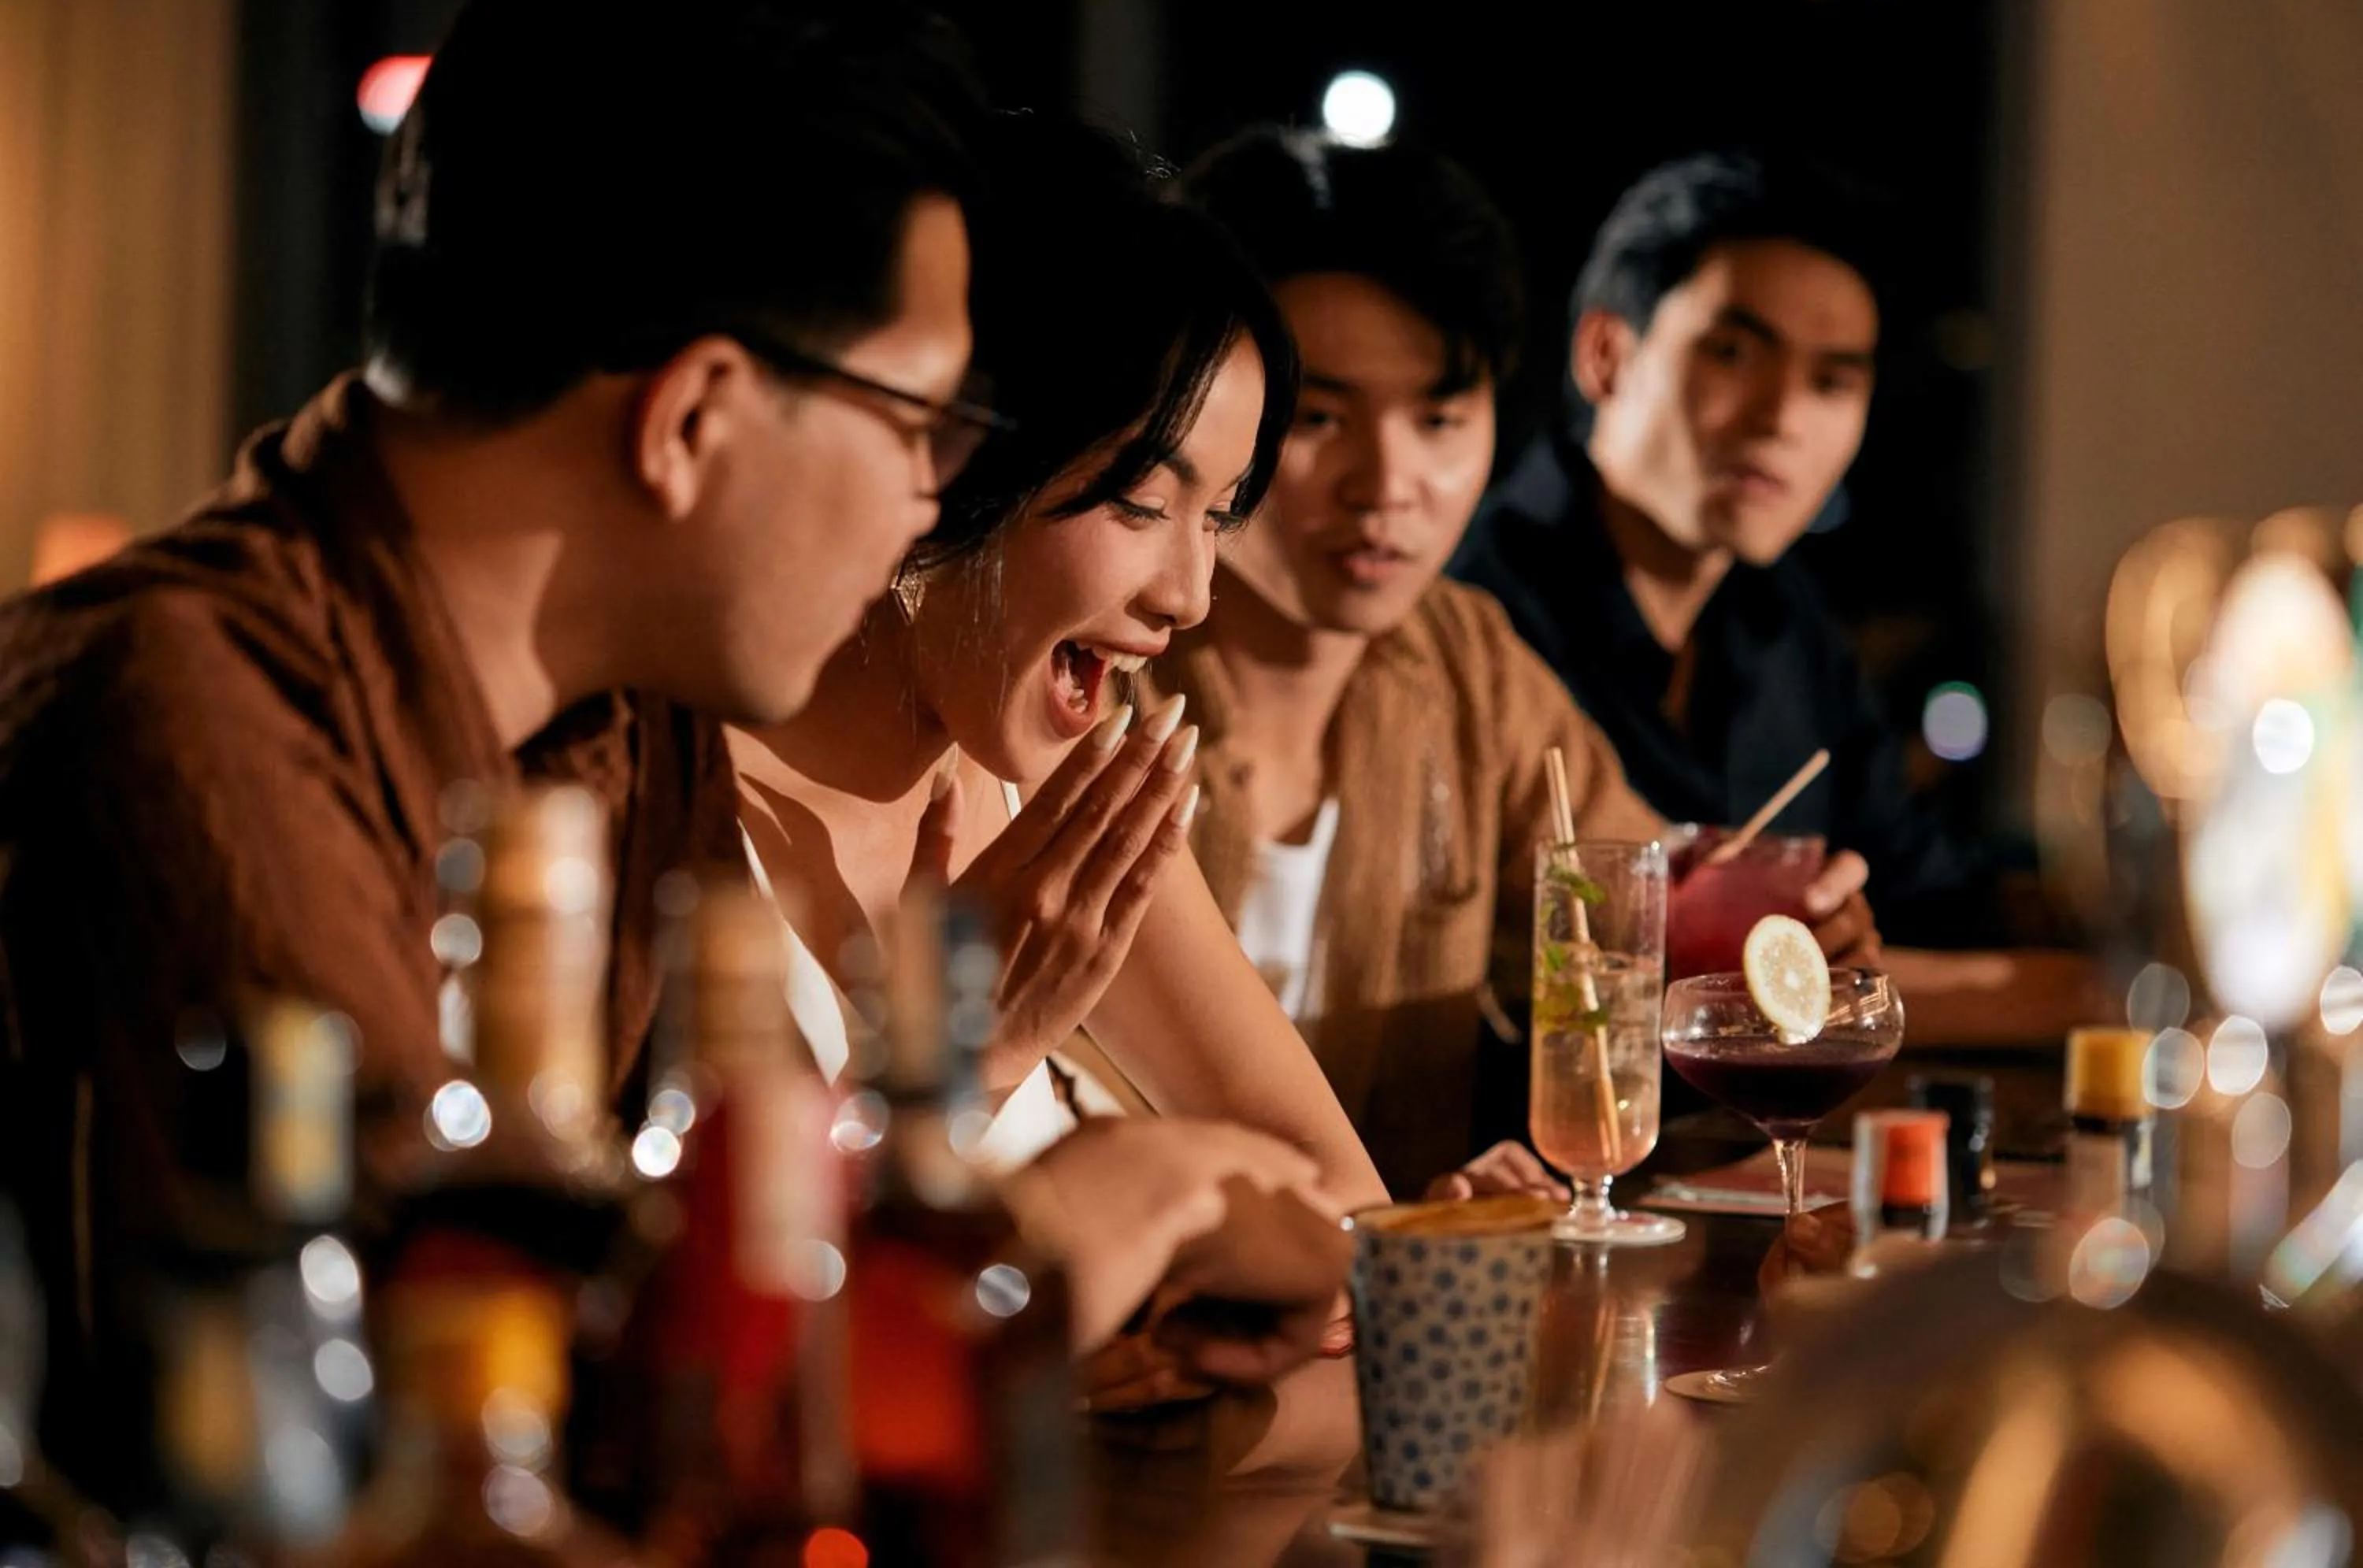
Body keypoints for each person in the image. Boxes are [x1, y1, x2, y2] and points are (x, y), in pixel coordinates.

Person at [0, 0, 1326, 1500]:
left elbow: (680, 1258)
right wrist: (1068, 1222)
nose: (931, 507)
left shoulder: (619, 718)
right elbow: (484, 1430)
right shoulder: (187, 716)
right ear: (692, 416)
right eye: (920, 433)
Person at [1163, 128, 1879, 1199]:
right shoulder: (1098, 674)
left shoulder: (1465, 669)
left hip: (1396, 1338)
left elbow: (1636, 926)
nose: (1388, 483)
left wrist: (1770, 945)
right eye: (1318, 416)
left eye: (1441, 419)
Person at [726, 112, 1388, 1214]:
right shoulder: (667, 795)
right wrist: (961, 1063)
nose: (1190, 596)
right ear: (954, 448)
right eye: (1140, 501)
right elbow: (744, 1307)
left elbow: (1346, 1209)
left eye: (1218, 517)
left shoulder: (1063, 789)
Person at [1451, 150, 2105, 1042]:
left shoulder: (1783, 622)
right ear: (1607, 355)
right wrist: (2088, 996)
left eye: (1832, 380)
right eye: (1732, 352)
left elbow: (1920, 886)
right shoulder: (1468, 611)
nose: (1783, 415)